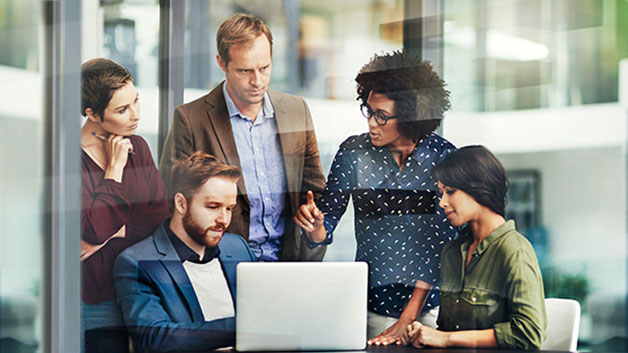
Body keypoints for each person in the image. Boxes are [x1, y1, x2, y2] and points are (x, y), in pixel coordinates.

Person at [294, 50, 457, 345]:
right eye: (368, 111)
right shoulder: (353, 154)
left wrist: (408, 319)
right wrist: (315, 226)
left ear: (411, 116)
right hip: (372, 308)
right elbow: (326, 220)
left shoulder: (443, 158)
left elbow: (442, 248)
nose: (371, 123)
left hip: (430, 310)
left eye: (381, 116)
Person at [159, 13, 326, 262]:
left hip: (288, 265)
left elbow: (315, 192)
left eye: (264, 68)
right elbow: (171, 204)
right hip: (219, 268)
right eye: (245, 70)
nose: (257, 81)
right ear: (221, 63)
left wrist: (314, 223)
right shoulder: (190, 119)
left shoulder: (296, 111)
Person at [403, 145, 547, 349]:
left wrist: (445, 339)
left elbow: (529, 334)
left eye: (450, 192)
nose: (442, 202)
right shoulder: (451, 253)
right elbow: (447, 330)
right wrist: (423, 335)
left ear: (479, 188)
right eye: (441, 193)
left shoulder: (515, 251)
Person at [114, 152, 256, 353]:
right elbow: (155, 338)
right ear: (181, 203)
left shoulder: (238, 248)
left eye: (229, 208)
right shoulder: (136, 262)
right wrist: (242, 327)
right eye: (213, 207)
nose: (223, 219)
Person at [80, 58, 170, 353]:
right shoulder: (70, 159)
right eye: (122, 109)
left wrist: (115, 231)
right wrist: (114, 170)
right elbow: (92, 231)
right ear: (92, 114)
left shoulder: (139, 147)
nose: (135, 115)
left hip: (142, 291)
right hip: (97, 298)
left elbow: (158, 221)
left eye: (135, 101)